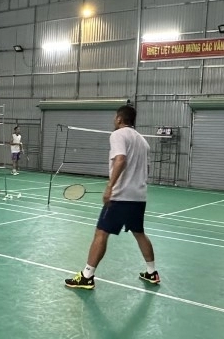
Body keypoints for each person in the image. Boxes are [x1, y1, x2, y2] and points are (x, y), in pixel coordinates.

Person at [65, 105, 158, 289]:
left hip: (120, 196)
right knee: (139, 233)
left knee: (101, 233)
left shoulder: (118, 135)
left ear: (119, 119)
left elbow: (120, 159)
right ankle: (151, 272)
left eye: (115, 117)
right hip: (138, 196)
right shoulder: (143, 141)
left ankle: (87, 276)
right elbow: (145, 169)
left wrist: (110, 186)